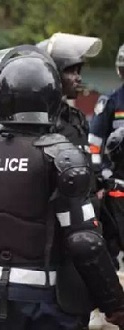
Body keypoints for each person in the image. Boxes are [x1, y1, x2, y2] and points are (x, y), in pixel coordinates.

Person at [0, 45, 124, 330]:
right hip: (51, 300)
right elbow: (85, 242)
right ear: (51, 97)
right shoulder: (60, 156)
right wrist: (115, 303)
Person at [89, 44, 124, 266]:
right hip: (118, 185)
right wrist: (101, 175)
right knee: (113, 240)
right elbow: (94, 144)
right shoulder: (112, 102)